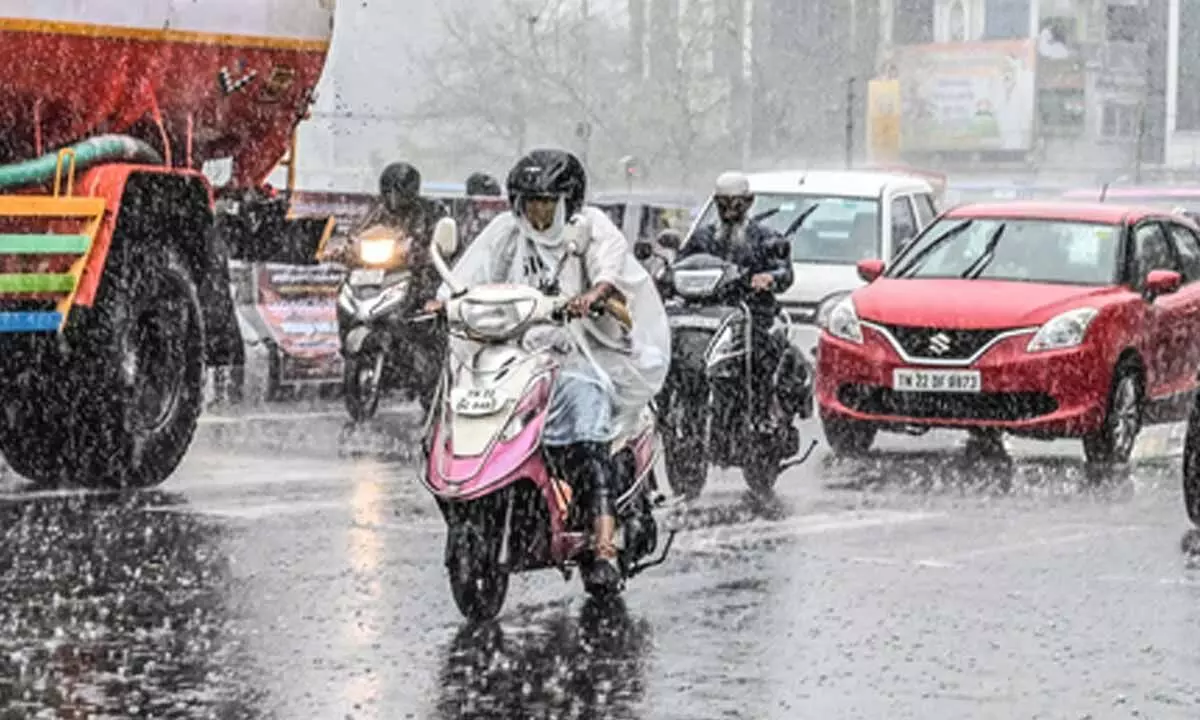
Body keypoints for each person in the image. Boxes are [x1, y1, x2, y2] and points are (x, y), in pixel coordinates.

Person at [425, 149, 670, 592]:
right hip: (518, 354)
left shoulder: (590, 229)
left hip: (582, 353)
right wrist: (444, 300)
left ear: (567, 203)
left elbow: (608, 271)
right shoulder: (505, 232)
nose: (536, 213)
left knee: (586, 422)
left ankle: (602, 545)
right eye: (528, 203)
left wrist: (595, 294)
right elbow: (470, 274)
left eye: (546, 203)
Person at [677, 170, 796, 429]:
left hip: (751, 311)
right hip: (705, 314)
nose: (729, 209)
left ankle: (763, 414)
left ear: (749, 202)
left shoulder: (766, 238)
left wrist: (768, 278)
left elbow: (784, 271)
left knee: (761, 351)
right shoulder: (702, 238)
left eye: (736, 203)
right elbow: (680, 264)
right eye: (722, 203)